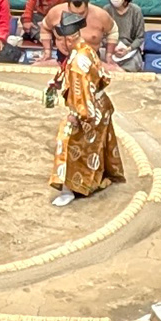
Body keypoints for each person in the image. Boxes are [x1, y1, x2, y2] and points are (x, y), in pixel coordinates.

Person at [51, 35, 126, 206]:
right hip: (101, 104)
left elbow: (81, 92)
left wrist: (78, 114)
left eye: (58, 40)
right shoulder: (84, 48)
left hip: (90, 109)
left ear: (67, 40)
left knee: (67, 140)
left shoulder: (78, 63)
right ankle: (100, 178)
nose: (57, 44)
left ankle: (68, 190)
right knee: (95, 146)